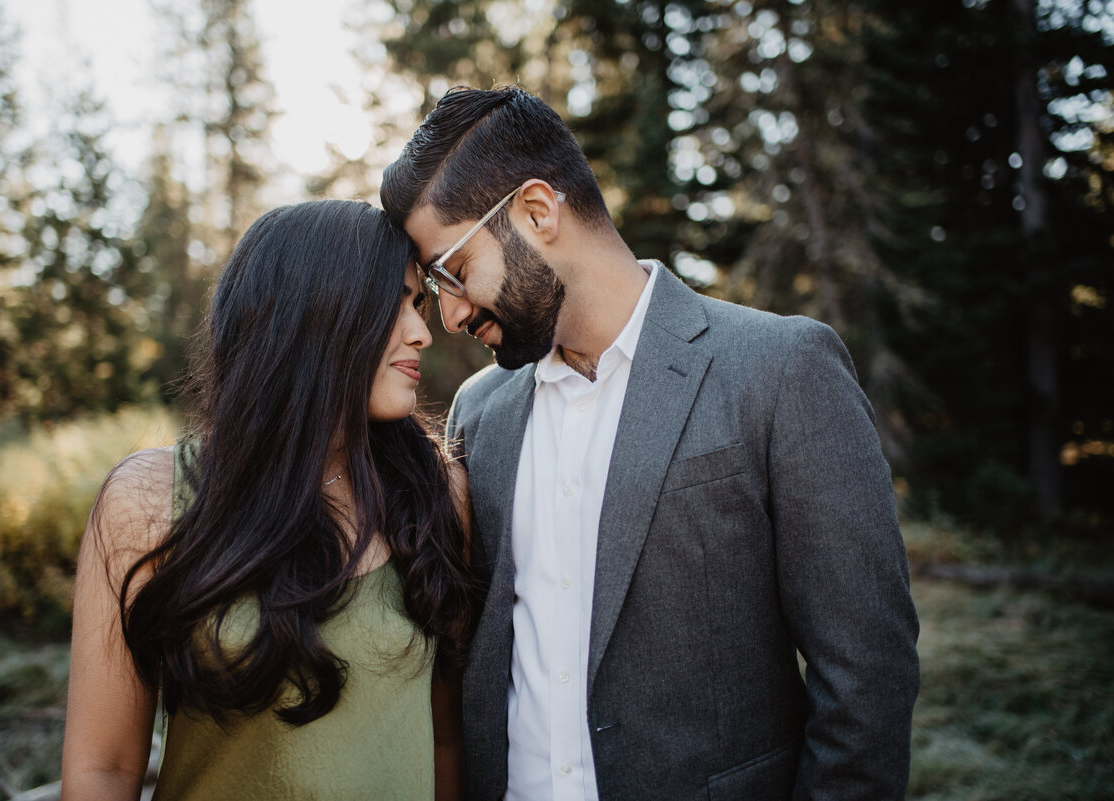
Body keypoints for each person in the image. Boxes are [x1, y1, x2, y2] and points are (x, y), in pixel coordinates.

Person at [379, 86, 920, 801]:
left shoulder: (781, 370)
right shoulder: (479, 415)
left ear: (537, 212)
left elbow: (866, 681)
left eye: (453, 272)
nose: (448, 314)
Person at [60, 199, 475, 801]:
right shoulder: (147, 501)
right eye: (398, 303)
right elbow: (104, 769)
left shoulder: (437, 495)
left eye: (418, 303)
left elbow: (446, 741)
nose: (421, 331)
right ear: (316, 313)